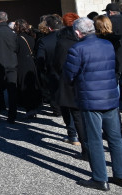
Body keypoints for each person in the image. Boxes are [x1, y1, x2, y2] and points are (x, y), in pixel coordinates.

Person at [64, 17, 122, 191]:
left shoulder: (77, 49)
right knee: (115, 138)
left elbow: (69, 76)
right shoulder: (107, 45)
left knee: (94, 140)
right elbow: (114, 67)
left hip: (90, 99)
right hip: (109, 96)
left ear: (78, 33)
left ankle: (100, 178)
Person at [52, 13, 85, 149]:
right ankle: (85, 143)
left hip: (66, 80)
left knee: (69, 110)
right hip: (81, 80)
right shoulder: (82, 41)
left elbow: (58, 63)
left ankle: (73, 135)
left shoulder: (62, 43)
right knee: (79, 113)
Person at [35, 14, 63, 116]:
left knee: (54, 90)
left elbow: (40, 58)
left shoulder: (44, 41)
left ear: (49, 28)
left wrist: (42, 69)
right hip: (67, 69)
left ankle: (57, 110)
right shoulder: (68, 37)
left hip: (51, 70)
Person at [14, 19, 42, 119]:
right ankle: (33, 108)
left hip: (21, 64)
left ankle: (29, 109)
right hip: (31, 63)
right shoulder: (31, 37)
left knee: (24, 86)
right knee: (31, 85)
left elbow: (15, 51)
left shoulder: (17, 38)